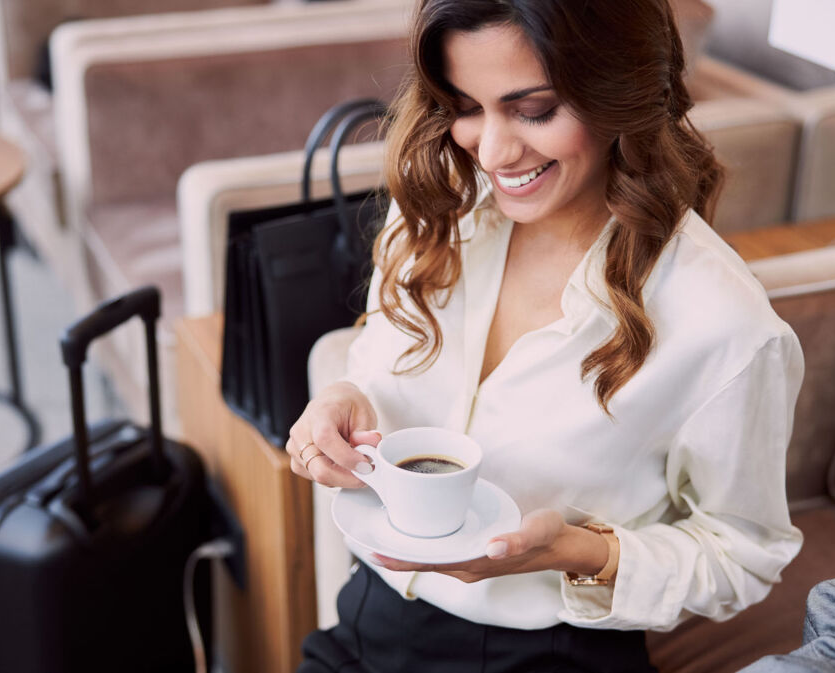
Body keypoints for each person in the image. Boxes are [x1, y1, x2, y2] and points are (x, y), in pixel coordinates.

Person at [287, 1, 804, 671]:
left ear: (619, 93)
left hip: (549, 652)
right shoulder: (437, 214)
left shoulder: (723, 324)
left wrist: (584, 553)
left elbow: (744, 554)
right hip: (368, 619)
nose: (494, 151)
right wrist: (343, 400)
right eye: (466, 106)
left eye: (533, 110)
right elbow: (376, 361)